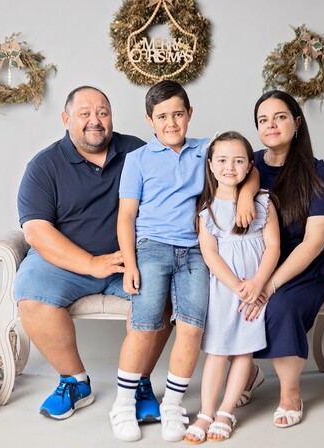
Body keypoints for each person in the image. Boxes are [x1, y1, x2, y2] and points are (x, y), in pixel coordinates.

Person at [109, 81, 260, 442]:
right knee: (144, 325)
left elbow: (249, 165)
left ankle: (173, 405)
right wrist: (131, 264)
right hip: (152, 246)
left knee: (192, 327)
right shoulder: (137, 160)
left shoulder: (206, 149)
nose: (171, 123)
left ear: (190, 114)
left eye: (178, 114)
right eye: (162, 116)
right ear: (150, 120)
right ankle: (123, 404)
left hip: (195, 250)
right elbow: (126, 216)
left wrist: (246, 197)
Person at [14, 86, 170, 421]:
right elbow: (36, 231)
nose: (94, 120)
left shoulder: (137, 151)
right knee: (31, 296)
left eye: (102, 112)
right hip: (65, 262)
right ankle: (75, 382)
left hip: (129, 258)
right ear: (66, 119)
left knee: (162, 294)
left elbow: (177, 190)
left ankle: (139, 382)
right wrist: (90, 263)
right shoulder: (44, 166)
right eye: (84, 113)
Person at [238, 90, 324, 428]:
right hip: (256, 262)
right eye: (263, 120)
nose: (271, 125)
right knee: (224, 301)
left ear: (297, 123)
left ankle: (290, 392)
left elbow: (313, 243)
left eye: (280, 117)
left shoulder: (317, 173)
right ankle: (248, 373)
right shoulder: (246, 165)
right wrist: (244, 193)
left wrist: (269, 285)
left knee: (281, 306)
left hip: (304, 265)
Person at [183, 131, 280, 443]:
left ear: (250, 166)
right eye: (222, 160)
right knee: (217, 351)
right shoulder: (207, 210)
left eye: (238, 161)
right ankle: (206, 413)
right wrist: (236, 285)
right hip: (225, 290)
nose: (230, 167)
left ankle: (226, 411)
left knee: (242, 351)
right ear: (211, 165)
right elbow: (209, 254)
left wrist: (257, 283)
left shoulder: (262, 201)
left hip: (255, 289)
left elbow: (273, 247)